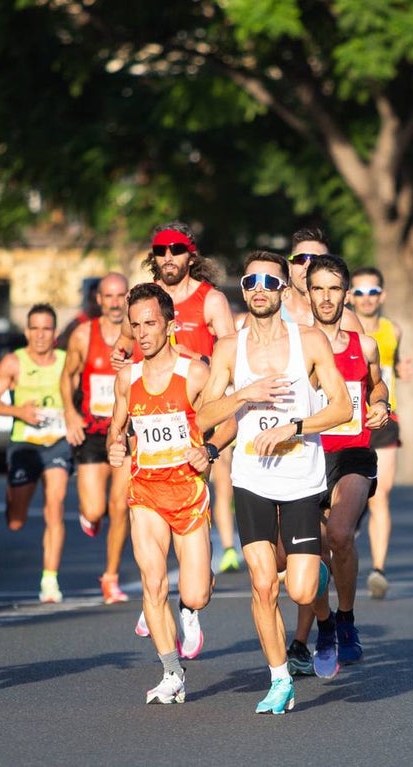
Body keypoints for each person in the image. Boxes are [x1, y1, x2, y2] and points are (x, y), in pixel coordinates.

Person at [197, 250, 351, 714]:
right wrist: (244, 394)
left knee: (301, 589)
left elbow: (342, 407)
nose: (260, 288)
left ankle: (321, 601)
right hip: (250, 479)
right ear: (242, 291)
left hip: (302, 477)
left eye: (269, 280)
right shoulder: (229, 348)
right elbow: (204, 415)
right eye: (250, 282)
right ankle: (280, 678)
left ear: (285, 289)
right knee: (264, 585)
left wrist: (294, 427)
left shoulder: (309, 343)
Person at [106, 282, 233, 704]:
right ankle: (171, 671)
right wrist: (115, 444)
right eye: (135, 325)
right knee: (153, 581)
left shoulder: (195, 373)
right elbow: (116, 425)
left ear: (170, 325)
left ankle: (192, 602)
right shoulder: (127, 378)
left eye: (150, 324)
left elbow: (230, 420)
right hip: (146, 492)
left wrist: (210, 449)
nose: (142, 333)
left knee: (195, 592)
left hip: (189, 492)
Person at [118, 223, 237, 644]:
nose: (168, 257)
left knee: (196, 581)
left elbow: (230, 351)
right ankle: (154, 594)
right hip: (151, 414)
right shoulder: (146, 297)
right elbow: (124, 343)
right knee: (147, 544)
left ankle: (194, 592)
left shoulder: (212, 299)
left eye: (176, 250)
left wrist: (194, 364)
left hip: (198, 413)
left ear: (191, 254)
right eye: (160, 250)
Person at [285, 255, 389, 679]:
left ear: (346, 294)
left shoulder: (363, 345)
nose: (326, 298)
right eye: (318, 289)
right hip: (307, 454)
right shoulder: (295, 346)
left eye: (334, 289)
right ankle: (324, 625)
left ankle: (345, 618)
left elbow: (377, 381)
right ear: (306, 294)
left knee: (341, 535)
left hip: (352, 454)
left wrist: (379, 401)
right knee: (312, 552)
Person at [0, 303, 73, 603]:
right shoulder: (13, 362)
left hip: (57, 443)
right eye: (34, 328)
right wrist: (18, 411)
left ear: (55, 333)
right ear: (26, 332)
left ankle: (50, 580)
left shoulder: (66, 361)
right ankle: (13, 501)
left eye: (46, 329)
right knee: (16, 520)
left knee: (55, 505)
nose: (40, 335)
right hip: (25, 443)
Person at [60, 273, 132, 605]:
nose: (116, 303)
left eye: (121, 296)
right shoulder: (83, 334)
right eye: (109, 296)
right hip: (91, 430)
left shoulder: (140, 335)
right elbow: (68, 375)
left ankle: (111, 576)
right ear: (99, 300)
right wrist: (70, 414)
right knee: (95, 508)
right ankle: (90, 513)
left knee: (121, 506)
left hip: (126, 432)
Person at [350, 266, 413, 599]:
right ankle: (351, 521)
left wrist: (402, 370)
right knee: (344, 497)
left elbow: (392, 370)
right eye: (359, 292)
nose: (366, 299)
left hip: (386, 418)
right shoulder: (345, 328)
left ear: (382, 296)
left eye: (372, 292)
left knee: (381, 495)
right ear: (350, 297)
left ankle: (378, 570)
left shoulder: (394, 330)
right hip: (349, 420)